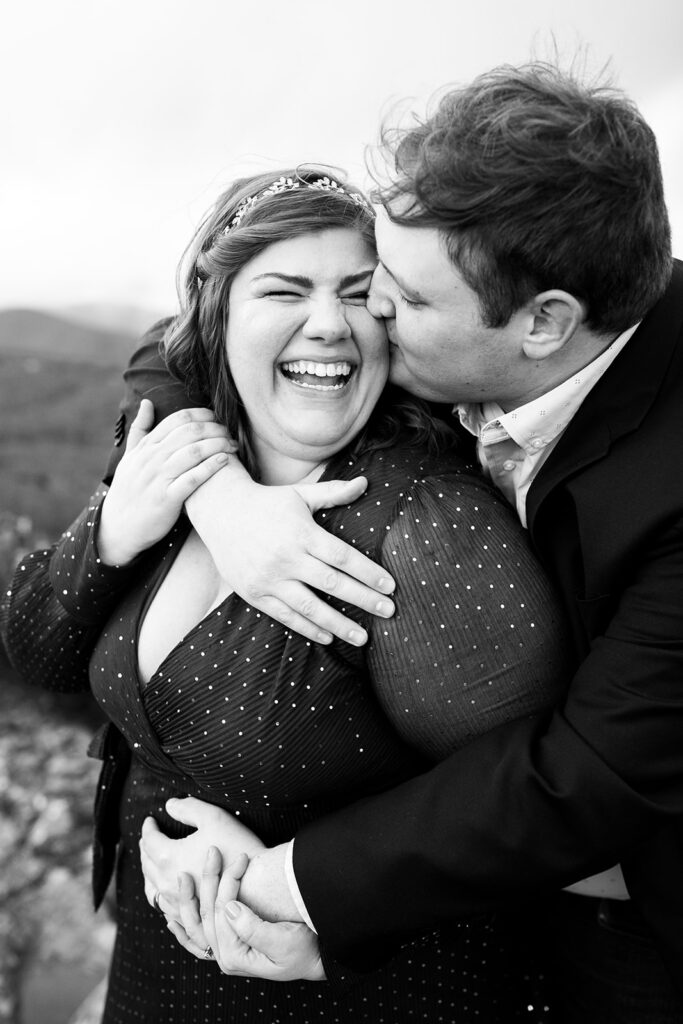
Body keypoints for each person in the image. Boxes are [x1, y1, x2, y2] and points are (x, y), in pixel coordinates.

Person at [117, 64, 683, 1023]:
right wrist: (219, 491)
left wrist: (288, 886)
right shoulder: (502, 296)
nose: (367, 313)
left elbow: (588, 773)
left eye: (405, 300)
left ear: (545, 323)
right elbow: (186, 340)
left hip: (639, 923)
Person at [0, 167, 571, 1022]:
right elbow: (37, 649)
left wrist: (326, 918)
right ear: (217, 316)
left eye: (356, 294)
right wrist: (113, 532)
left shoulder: (425, 526)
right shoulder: (179, 456)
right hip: (152, 975)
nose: (329, 324)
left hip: (340, 995)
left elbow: (530, 833)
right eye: (284, 289)